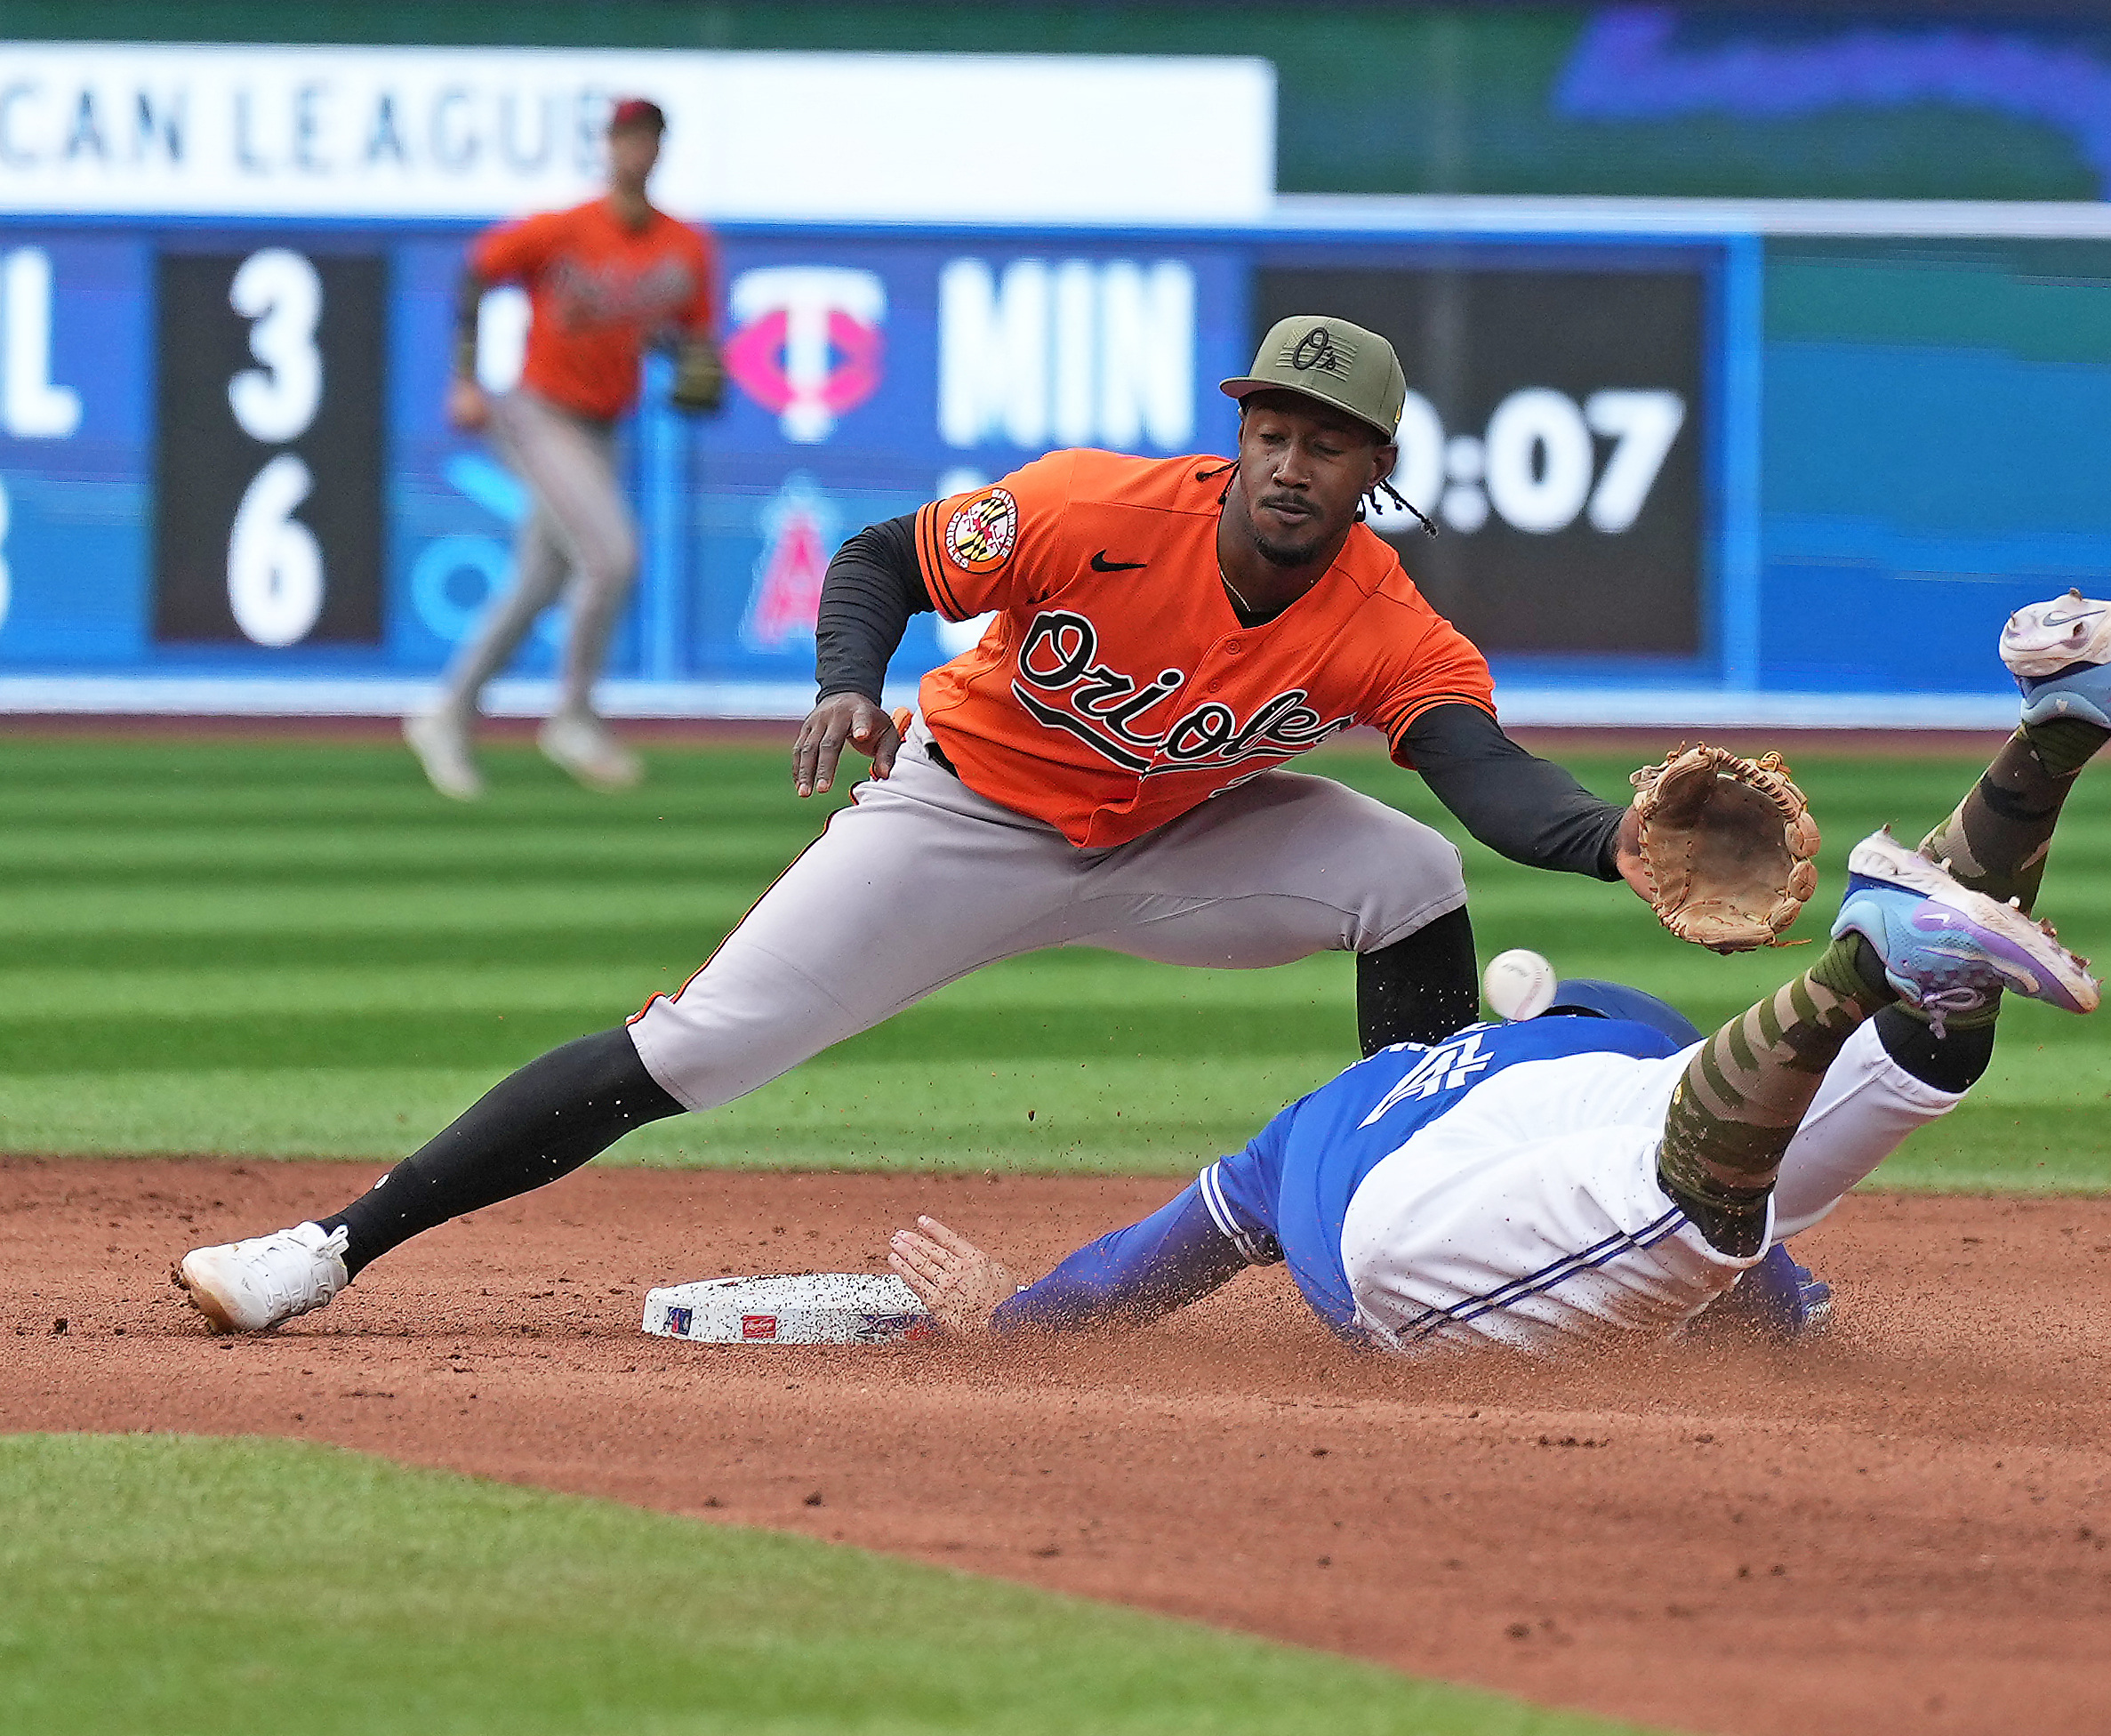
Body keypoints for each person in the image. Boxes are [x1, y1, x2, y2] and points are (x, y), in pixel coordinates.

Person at [178, 312, 1721, 1332]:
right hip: (960, 816)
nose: (1289, 461)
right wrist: (849, 682)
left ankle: (1415, 1212)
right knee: (694, 1052)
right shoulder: (1094, 510)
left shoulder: (1384, 625)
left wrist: (1608, 841)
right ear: (1237, 431)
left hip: (1171, 844)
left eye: (1326, 442)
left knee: (1405, 866)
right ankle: (324, 1247)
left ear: (1376, 472)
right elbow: (875, 557)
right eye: (1271, 428)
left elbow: (1480, 768)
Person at [887, 576, 2111, 1353]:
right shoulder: (1592, 1035)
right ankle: (2047, 737)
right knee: (1871, 1086)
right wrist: (1784, 1306)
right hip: (1608, 1102)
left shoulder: (1298, 1146)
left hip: (1417, 1221)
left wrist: (1003, 1324)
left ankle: (1872, 953)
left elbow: (1125, 1281)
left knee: (1700, 1204)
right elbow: (1748, 1254)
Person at [404, 96, 724, 800]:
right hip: (538, 412)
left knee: (540, 583)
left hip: (604, 425)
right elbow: (478, 272)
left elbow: (686, 337)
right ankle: (573, 716)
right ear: (606, 148)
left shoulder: (684, 246)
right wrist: (464, 378)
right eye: (621, 137)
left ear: (659, 149)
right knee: (611, 558)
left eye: (644, 137)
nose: (632, 149)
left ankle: (447, 715)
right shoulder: (565, 229)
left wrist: (696, 365)